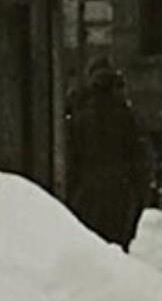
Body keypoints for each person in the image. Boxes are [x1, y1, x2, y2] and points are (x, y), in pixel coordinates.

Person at [62, 49, 152, 250]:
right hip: (119, 195)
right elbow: (141, 163)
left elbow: (70, 162)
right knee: (115, 251)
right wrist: (139, 200)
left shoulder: (80, 115)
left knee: (90, 250)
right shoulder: (126, 115)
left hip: (88, 195)